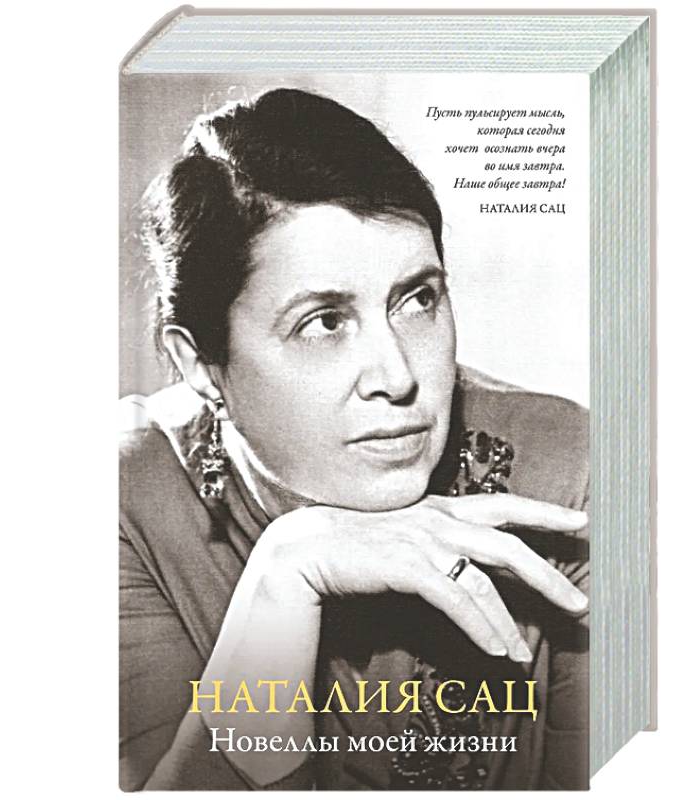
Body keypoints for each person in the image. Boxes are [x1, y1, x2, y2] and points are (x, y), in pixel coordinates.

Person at [119, 88, 590, 791]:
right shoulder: (126, 499)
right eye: (325, 322)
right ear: (200, 363)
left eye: (418, 299)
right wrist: (282, 578)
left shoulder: (569, 470)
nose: (399, 377)